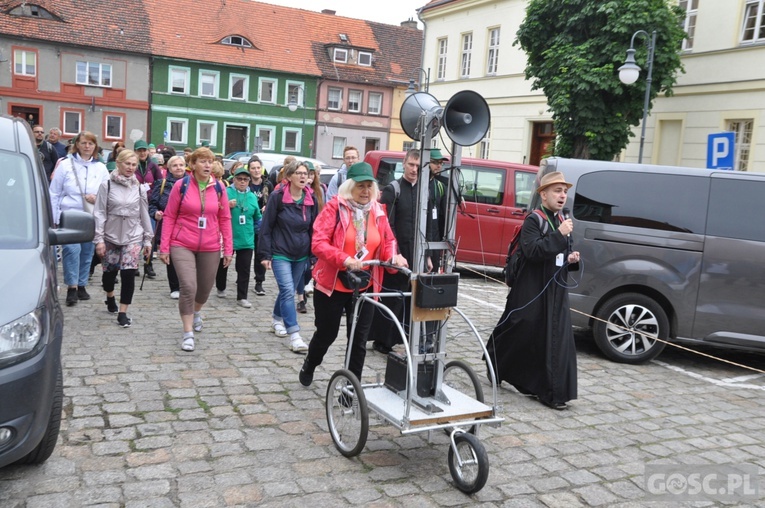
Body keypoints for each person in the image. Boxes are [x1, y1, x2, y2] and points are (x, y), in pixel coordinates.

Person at [298, 162, 406, 387]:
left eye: (370, 186)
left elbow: (387, 241)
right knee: (327, 334)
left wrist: (393, 257)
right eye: (361, 186)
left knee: (358, 340)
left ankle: (350, 388)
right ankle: (311, 362)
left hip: (364, 285)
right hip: (334, 283)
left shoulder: (378, 211)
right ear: (350, 187)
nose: (366, 191)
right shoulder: (334, 208)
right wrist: (344, 259)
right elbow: (318, 243)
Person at [485, 171, 581, 410]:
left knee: (554, 339)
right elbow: (534, 252)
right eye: (557, 191)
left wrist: (571, 258)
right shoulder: (533, 220)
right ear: (544, 194)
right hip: (531, 288)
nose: (562, 196)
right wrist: (559, 235)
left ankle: (552, 393)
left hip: (555, 289)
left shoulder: (561, 221)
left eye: (565, 191)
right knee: (519, 328)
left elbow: (559, 253)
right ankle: (495, 361)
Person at [158, 147, 233, 352]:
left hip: (210, 245)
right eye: (202, 161)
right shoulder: (181, 186)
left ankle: (196, 311)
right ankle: (188, 332)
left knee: (205, 289)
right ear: (193, 164)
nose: (207, 165)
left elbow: (225, 218)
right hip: (182, 243)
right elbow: (170, 216)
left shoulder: (219, 187)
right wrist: (164, 247)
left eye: (210, 161)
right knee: (189, 286)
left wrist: (228, 249)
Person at [370, 148, 445, 354]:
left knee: (415, 297)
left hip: (419, 252)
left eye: (418, 166)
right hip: (397, 252)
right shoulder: (393, 189)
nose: (414, 169)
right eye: (411, 164)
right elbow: (386, 226)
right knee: (393, 296)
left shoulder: (426, 190)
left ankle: (409, 337)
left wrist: (429, 254)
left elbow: (430, 224)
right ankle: (383, 340)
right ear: (404, 163)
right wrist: (394, 253)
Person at [257, 160, 318, 353]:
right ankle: (295, 335)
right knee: (287, 290)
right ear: (289, 176)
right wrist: (265, 254)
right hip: (280, 252)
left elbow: (314, 229)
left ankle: (276, 319)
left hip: (301, 254)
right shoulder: (277, 197)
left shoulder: (311, 198)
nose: (303, 176)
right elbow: (266, 227)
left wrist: (314, 255)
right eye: (298, 173)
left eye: (305, 173)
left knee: (288, 290)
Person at [93, 149, 153, 327]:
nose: (131, 167)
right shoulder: (107, 186)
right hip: (110, 235)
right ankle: (110, 296)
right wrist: (99, 239)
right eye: (127, 163)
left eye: (134, 164)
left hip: (132, 235)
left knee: (128, 273)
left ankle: (123, 312)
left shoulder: (139, 187)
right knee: (109, 274)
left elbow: (144, 214)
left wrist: (148, 239)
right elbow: (99, 213)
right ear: (118, 163)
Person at [50, 131, 110, 306]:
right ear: (77, 145)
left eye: (90, 144)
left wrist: (97, 196)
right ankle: (72, 286)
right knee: (71, 250)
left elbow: (108, 192)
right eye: (83, 143)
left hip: (91, 215)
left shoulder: (100, 167)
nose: (87, 147)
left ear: (95, 146)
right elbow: (54, 192)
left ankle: (82, 284)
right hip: (69, 215)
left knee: (87, 251)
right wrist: (54, 217)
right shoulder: (65, 165)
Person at [216, 166, 261, 308]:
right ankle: (221, 286)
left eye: (245, 179)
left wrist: (259, 232)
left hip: (246, 237)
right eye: (239, 179)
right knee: (222, 265)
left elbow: (257, 217)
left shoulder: (252, 196)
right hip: (228, 236)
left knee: (244, 268)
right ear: (233, 179)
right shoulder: (226, 192)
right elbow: (214, 209)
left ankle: (242, 297)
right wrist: (225, 205)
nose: (242, 182)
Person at [149, 155, 186, 299]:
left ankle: (186, 284)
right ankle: (175, 286)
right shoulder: (162, 183)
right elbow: (152, 204)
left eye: (181, 165)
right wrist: (155, 213)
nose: (178, 168)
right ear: (169, 168)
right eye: (175, 165)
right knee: (172, 255)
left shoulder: (190, 183)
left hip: (187, 225)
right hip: (168, 224)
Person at [295, 162, 325, 313]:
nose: (308, 178)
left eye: (311, 174)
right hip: (302, 236)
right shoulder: (297, 193)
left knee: (309, 270)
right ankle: (301, 298)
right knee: (301, 268)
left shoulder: (320, 191)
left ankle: (303, 288)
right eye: (306, 174)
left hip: (317, 234)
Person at [247, 156, 273, 296]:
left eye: (258, 167)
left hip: (262, 224)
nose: (256, 170)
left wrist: (267, 207)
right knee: (244, 253)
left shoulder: (267, 184)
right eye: (253, 168)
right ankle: (242, 278)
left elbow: (273, 200)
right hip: (247, 222)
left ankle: (259, 282)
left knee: (260, 253)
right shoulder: (246, 183)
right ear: (249, 170)